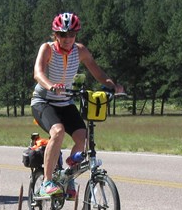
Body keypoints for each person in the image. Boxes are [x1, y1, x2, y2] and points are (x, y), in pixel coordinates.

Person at [31, 13, 124, 198]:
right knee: (57, 131)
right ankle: (46, 183)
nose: (67, 39)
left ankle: (69, 176)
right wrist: (51, 86)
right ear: (56, 35)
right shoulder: (47, 49)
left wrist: (113, 86)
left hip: (65, 102)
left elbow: (98, 73)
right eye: (63, 34)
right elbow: (37, 73)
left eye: (72, 34)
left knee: (83, 139)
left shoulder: (80, 51)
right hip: (44, 101)